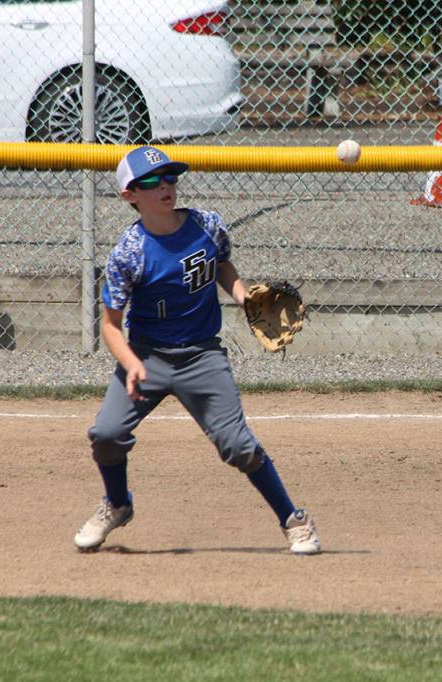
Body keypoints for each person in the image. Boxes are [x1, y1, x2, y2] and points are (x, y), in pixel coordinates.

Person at [73, 146, 321, 555]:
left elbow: (221, 263)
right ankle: (117, 504)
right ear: (129, 195)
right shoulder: (128, 254)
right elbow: (110, 326)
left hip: (201, 356)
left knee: (238, 446)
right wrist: (132, 364)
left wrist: (242, 296)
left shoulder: (207, 225)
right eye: (151, 181)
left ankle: (294, 520)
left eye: (170, 177)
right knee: (106, 434)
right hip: (146, 357)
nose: (165, 186)